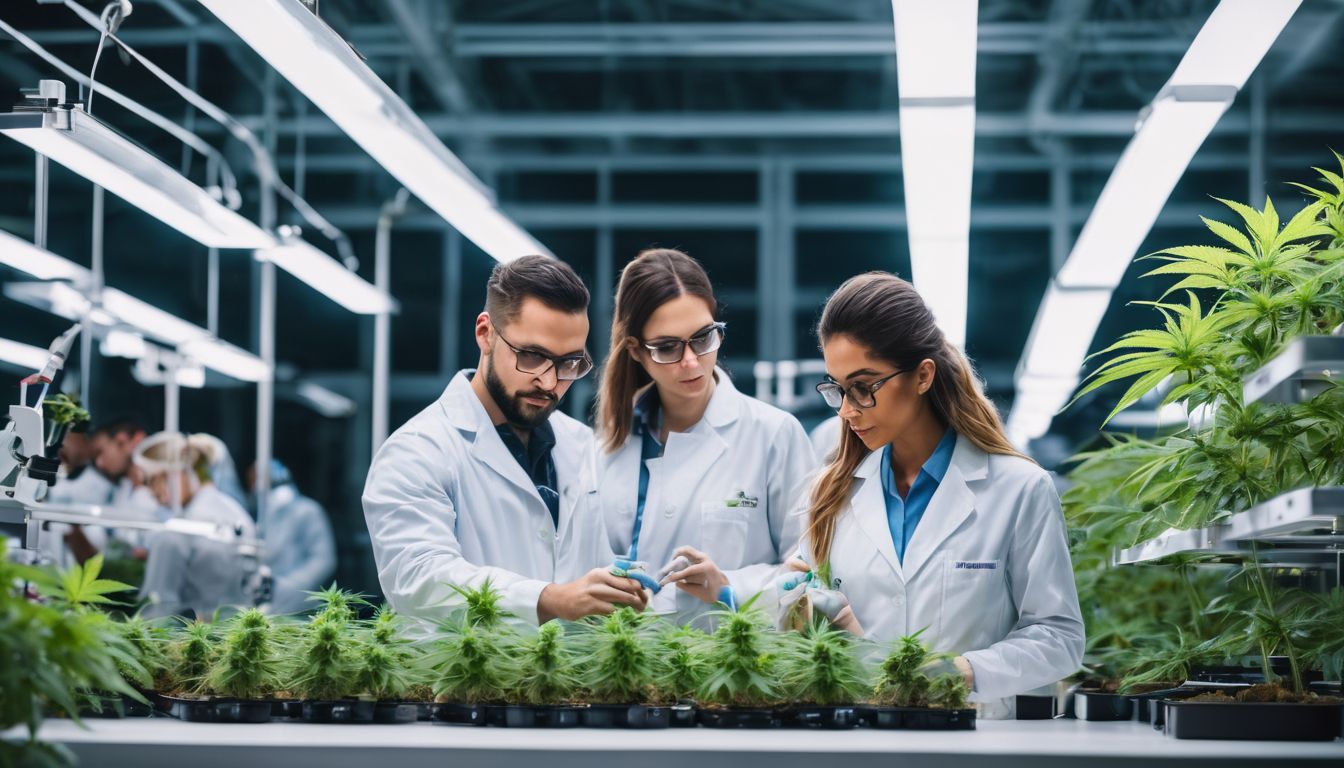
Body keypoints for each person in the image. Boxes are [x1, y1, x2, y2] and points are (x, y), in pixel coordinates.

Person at [796, 272, 1083, 719]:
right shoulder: (832, 494)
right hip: (863, 736)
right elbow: (812, 627)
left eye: (864, 387)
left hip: (976, 738)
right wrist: (797, 604)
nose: (848, 410)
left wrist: (964, 671)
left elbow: (1059, 638)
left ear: (923, 376)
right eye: (838, 389)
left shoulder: (1019, 490)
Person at [363, 254, 645, 626]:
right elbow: (418, 578)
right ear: (486, 333)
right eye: (532, 356)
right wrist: (547, 599)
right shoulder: (417, 451)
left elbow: (599, 560)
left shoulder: (582, 445)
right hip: (464, 665)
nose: (549, 382)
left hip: (567, 665)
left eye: (569, 363)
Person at [592, 248, 816, 624]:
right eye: (667, 347)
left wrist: (729, 588)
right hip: (625, 655)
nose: (691, 361)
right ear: (636, 351)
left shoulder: (774, 435)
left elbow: (809, 570)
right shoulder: (607, 448)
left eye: (702, 338)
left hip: (732, 657)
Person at [137, 432, 258, 619]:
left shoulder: (178, 530)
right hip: (238, 629)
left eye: (152, 480)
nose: (151, 492)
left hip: (193, 634)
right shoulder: (237, 514)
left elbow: (156, 608)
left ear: (175, 475)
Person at [40, 417, 151, 567]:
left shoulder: (147, 491)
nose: (99, 462)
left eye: (101, 452)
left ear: (122, 440)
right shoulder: (118, 488)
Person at [247, 459, 337, 614]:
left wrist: (291, 587)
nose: (254, 488)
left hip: (301, 608)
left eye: (257, 481)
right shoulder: (261, 515)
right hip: (266, 607)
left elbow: (323, 560)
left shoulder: (308, 511)